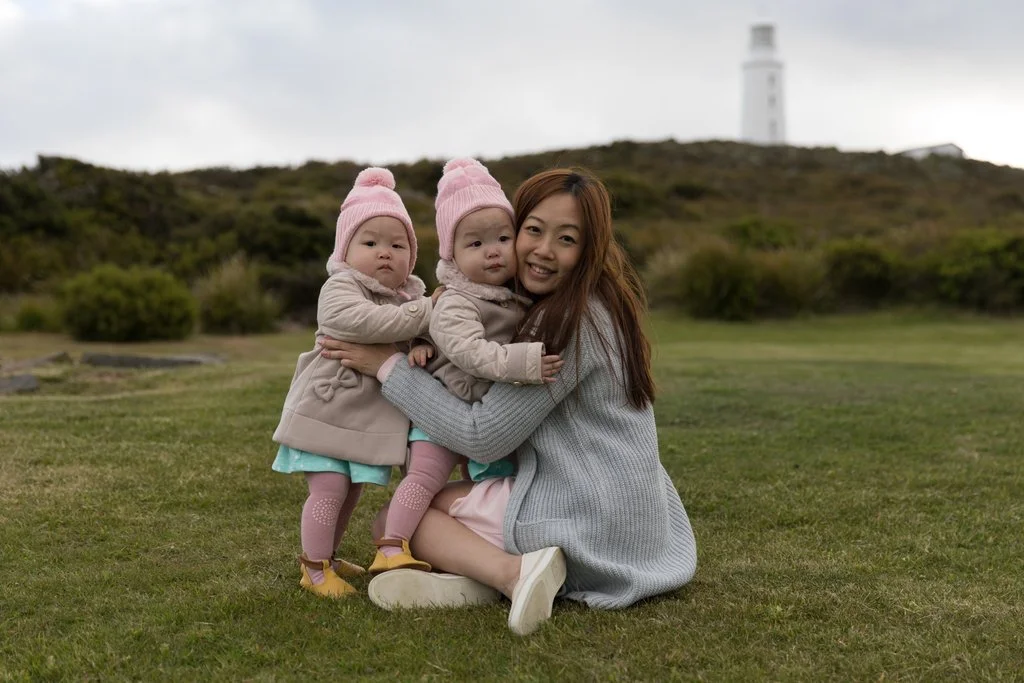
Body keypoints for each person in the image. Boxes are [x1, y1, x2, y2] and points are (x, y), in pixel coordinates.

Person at [322, 168, 697, 635]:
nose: (544, 250)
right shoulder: (604, 304)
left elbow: (482, 436)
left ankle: (512, 574)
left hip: (593, 524)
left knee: (397, 522)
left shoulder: (562, 325)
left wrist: (387, 366)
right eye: (533, 230)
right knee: (435, 505)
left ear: (590, 249)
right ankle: (475, 577)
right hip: (638, 520)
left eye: (566, 239)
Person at [370, 158, 563, 575]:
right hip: (441, 412)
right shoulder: (456, 300)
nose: (492, 251)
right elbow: (468, 351)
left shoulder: (512, 296)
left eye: (502, 238)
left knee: (487, 486)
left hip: (482, 413)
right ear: (453, 256)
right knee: (425, 479)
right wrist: (524, 362)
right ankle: (391, 546)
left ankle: (466, 556)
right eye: (475, 244)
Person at [271, 167, 434, 599]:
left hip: (360, 418)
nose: (385, 253)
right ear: (345, 250)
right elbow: (365, 323)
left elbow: (413, 331)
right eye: (370, 243)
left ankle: (327, 555)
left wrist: (421, 341)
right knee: (329, 488)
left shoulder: (408, 298)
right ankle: (313, 569)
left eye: (398, 245)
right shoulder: (340, 287)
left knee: (350, 490)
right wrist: (424, 315)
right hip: (327, 408)